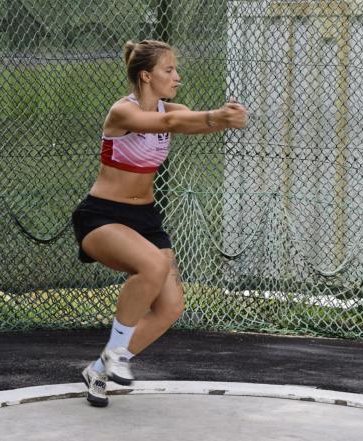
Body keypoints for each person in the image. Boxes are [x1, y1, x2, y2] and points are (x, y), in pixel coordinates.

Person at [72, 39, 248, 407]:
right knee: (153, 264)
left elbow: (184, 122)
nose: (177, 76)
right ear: (146, 76)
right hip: (103, 215)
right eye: (169, 70)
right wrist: (216, 117)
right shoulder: (123, 111)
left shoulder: (173, 109)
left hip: (147, 220)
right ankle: (117, 352)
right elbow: (167, 122)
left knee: (170, 307)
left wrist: (227, 119)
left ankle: (99, 370)